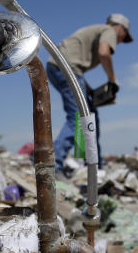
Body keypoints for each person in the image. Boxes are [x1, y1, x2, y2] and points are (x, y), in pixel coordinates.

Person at [46, 14, 133, 176]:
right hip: (67, 69)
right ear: (121, 28)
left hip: (58, 67)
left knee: (89, 115)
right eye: (124, 37)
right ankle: (52, 166)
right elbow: (104, 53)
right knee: (79, 118)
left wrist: (91, 91)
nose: (120, 41)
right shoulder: (109, 30)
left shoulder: (97, 30)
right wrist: (112, 79)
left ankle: (90, 166)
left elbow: (76, 67)